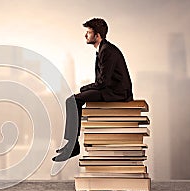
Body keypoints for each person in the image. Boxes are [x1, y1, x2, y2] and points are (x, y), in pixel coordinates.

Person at [52, 18, 133, 162]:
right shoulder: (103, 49)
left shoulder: (107, 51)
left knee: (73, 100)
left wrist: (85, 88)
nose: (85, 35)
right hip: (110, 89)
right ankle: (71, 144)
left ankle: (73, 145)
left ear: (97, 36)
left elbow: (102, 82)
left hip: (116, 93)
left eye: (89, 32)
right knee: (73, 100)